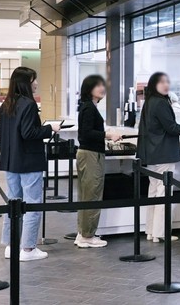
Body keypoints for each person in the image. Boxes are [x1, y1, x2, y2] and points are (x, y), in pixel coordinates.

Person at [0, 67, 60, 262]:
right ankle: (28, 248)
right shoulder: (29, 104)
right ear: (26, 82)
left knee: (13, 203)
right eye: (34, 80)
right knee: (32, 204)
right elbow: (29, 133)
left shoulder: (6, 104)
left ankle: (11, 245)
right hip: (29, 161)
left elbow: (4, 134)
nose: (36, 83)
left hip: (11, 161)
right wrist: (50, 128)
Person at [138, 72, 180, 242]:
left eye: (167, 82)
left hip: (151, 153)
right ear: (154, 84)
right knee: (163, 192)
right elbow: (171, 128)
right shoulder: (161, 103)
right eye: (161, 82)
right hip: (163, 153)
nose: (166, 85)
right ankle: (161, 233)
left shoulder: (149, 101)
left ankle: (151, 231)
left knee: (154, 192)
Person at [74, 75, 122, 249]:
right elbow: (86, 133)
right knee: (92, 194)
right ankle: (87, 236)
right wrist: (108, 135)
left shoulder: (88, 106)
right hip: (91, 155)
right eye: (97, 85)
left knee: (86, 194)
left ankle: (83, 233)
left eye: (103, 85)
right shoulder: (89, 107)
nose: (102, 88)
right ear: (89, 89)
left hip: (88, 154)